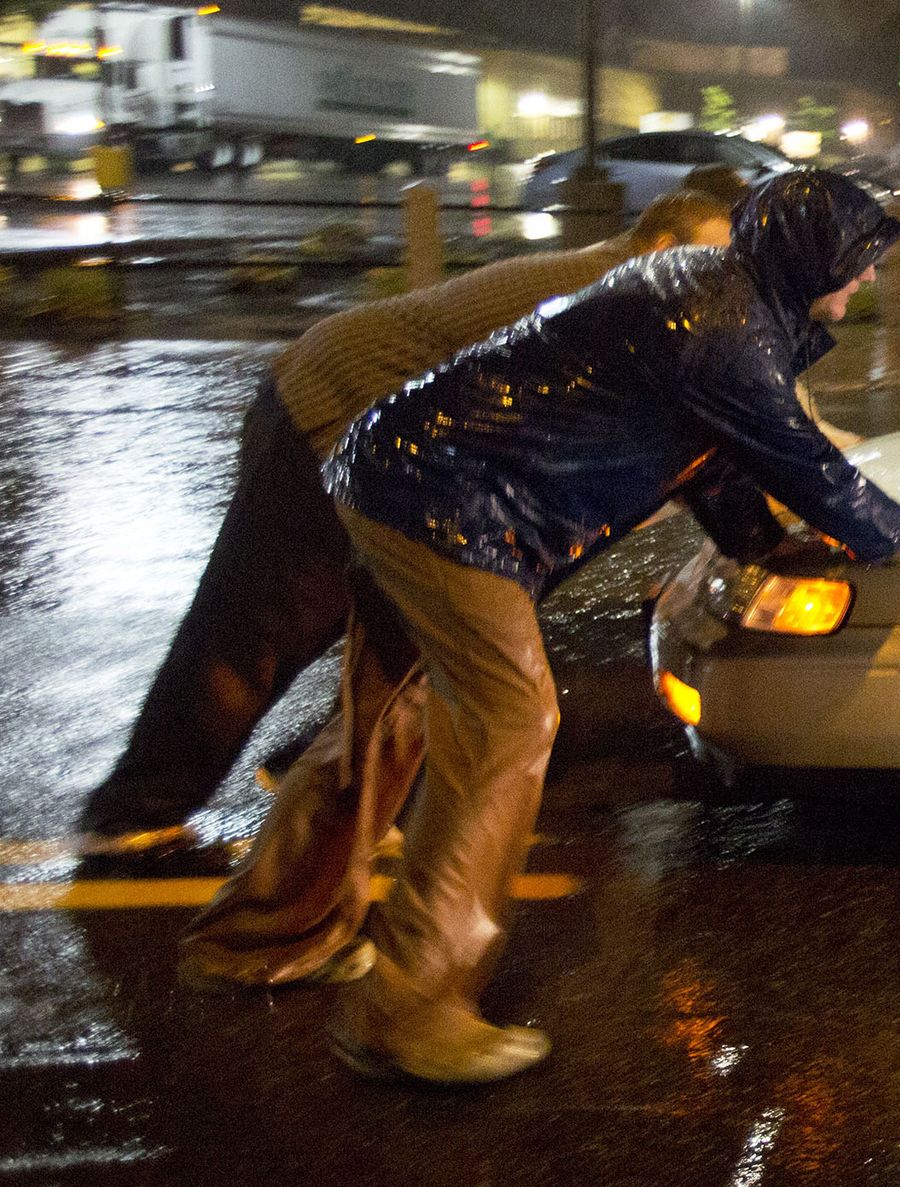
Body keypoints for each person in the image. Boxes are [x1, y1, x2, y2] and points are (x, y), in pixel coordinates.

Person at [180, 170, 900, 1086]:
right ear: (810, 256)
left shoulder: (721, 304)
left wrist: (768, 550)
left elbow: (713, 460)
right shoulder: (726, 324)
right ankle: (405, 1010)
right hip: (450, 509)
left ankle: (255, 939)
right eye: (858, 262)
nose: (867, 281)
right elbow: (801, 459)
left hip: (394, 478)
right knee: (509, 721)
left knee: (388, 717)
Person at [76, 188, 739, 858]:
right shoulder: (624, 298)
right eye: (719, 259)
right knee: (265, 624)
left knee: (418, 627)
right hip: (337, 409)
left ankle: (327, 775)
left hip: (415, 462)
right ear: (661, 247)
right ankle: (135, 810)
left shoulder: (651, 304)